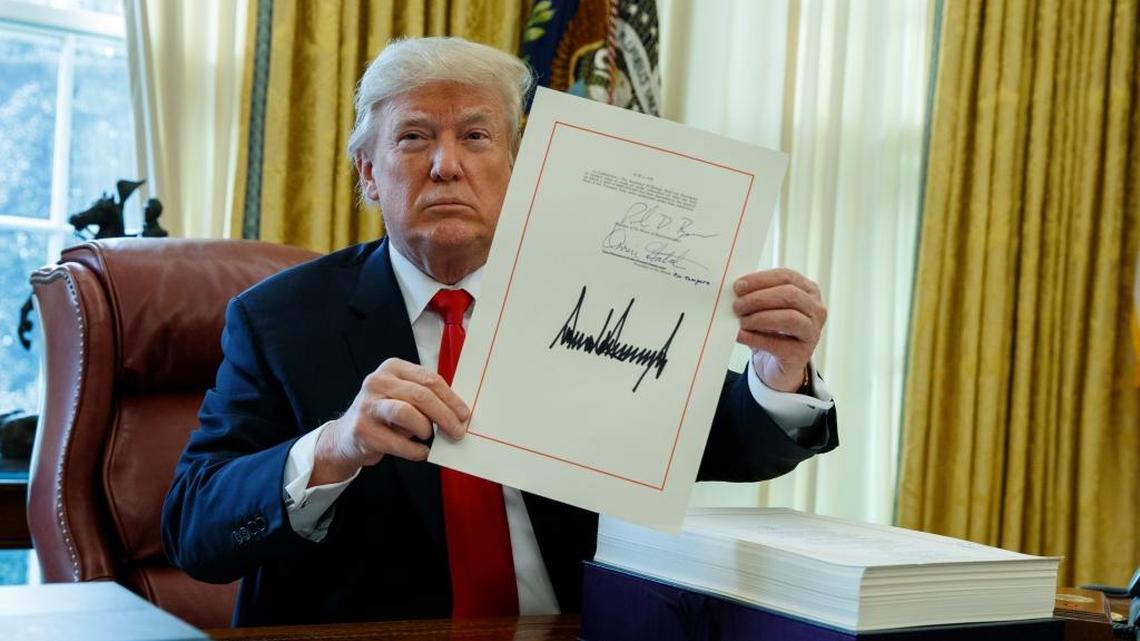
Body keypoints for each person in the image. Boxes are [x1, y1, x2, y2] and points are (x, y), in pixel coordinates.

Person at [161, 37, 837, 627]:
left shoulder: (592, 294)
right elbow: (193, 528)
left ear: (519, 168)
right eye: (414, 136)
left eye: (477, 136)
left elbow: (724, 438)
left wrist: (779, 378)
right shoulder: (278, 320)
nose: (446, 164)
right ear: (369, 172)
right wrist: (335, 444)